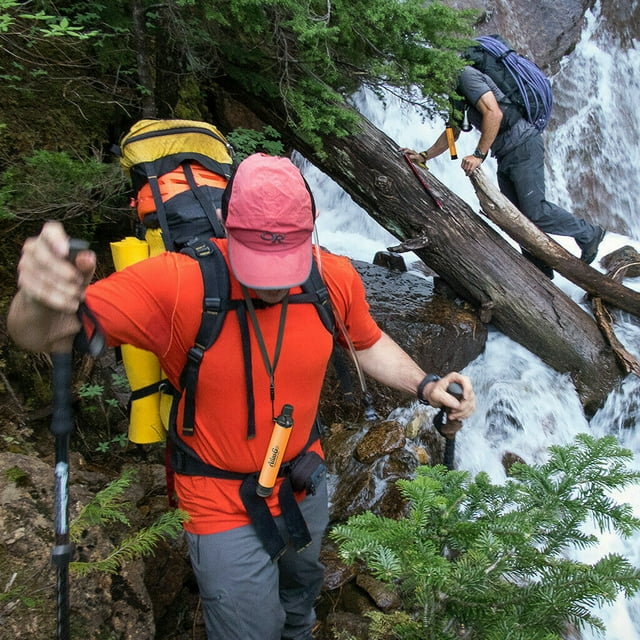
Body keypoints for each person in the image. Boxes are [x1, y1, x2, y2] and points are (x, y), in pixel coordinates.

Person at [7, 153, 476, 640]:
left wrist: (426, 384)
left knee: (301, 600)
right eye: (260, 267)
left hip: (302, 478)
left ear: (309, 237)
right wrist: (39, 298)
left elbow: (366, 341)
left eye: (284, 267)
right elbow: (44, 333)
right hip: (217, 499)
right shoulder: (177, 282)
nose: (273, 286)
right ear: (228, 233)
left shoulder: (330, 276)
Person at [403, 65, 606, 278]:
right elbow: (452, 132)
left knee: (534, 210)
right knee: (514, 217)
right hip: (504, 153)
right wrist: (425, 156)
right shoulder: (455, 92)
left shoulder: (465, 76)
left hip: (524, 145)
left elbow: (494, 113)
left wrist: (478, 155)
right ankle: (539, 269)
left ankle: (589, 234)